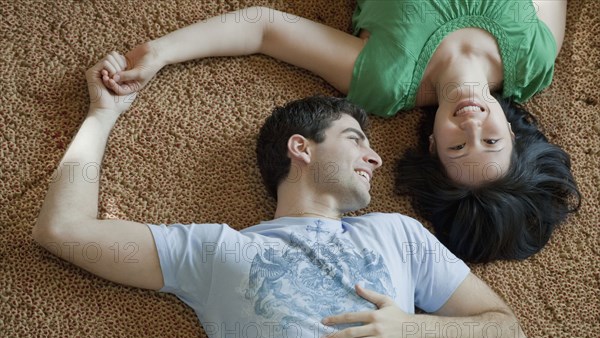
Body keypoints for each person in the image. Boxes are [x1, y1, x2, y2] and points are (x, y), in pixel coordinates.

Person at [33, 55, 527, 338]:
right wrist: (102, 114)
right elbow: (63, 229)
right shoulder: (216, 252)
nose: (375, 156)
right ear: (301, 148)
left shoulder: (398, 233)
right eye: (354, 139)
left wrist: (416, 328)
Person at [98, 0, 581, 263]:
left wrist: (161, 52)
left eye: (459, 144)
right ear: (514, 135)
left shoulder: (382, 82)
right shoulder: (535, 59)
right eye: (491, 140)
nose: (472, 122)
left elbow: (264, 29)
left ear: (432, 145)